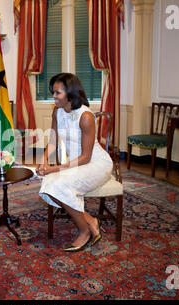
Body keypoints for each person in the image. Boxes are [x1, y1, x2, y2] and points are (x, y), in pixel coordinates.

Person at [36, 73, 113, 252]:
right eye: (53, 92)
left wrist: (55, 169)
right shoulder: (57, 111)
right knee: (48, 185)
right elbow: (53, 140)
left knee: (58, 184)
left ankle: (84, 231)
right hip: (76, 163)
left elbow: (86, 157)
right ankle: (91, 220)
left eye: (57, 93)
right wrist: (44, 160)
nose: (53, 97)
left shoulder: (85, 116)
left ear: (70, 93)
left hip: (95, 164)